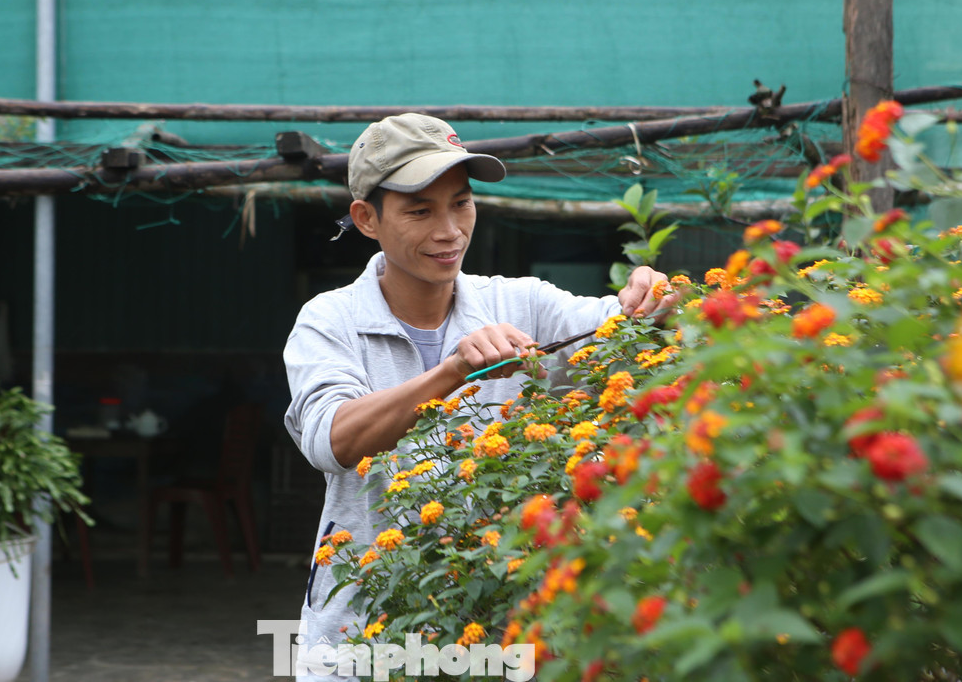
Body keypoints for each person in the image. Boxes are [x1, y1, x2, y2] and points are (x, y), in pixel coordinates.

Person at [282, 113, 678, 678]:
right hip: (363, 640)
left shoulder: (524, 303)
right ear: (367, 219)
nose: (449, 230)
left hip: (496, 631)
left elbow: (623, 329)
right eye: (420, 210)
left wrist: (654, 298)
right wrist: (454, 372)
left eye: (461, 203)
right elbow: (333, 439)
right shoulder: (330, 320)